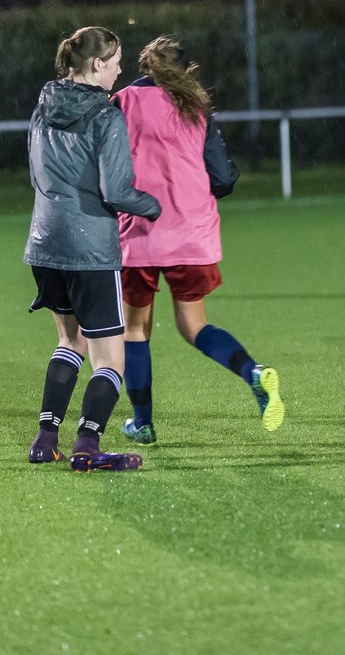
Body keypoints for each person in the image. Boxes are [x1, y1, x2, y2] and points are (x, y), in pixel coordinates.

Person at [114, 35, 283, 444]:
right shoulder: (196, 106)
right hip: (192, 232)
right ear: (185, 68)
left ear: (145, 66)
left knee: (135, 330)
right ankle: (253, 372)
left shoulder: (122, 101)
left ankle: (143, 422)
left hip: (139, 232)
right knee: (195, 326)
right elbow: (222, 177)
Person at [25, 26, 161, 471]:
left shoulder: (43, 107)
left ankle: (46, 439)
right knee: (110, 360)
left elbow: (37, 177)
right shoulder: (106, 116)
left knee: (69, 340)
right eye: (116, 60)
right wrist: (155, 206)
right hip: (89, 252)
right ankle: (87, 446)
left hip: (45, 244)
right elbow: (117, 191)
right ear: (97, 64)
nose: (121, 68)